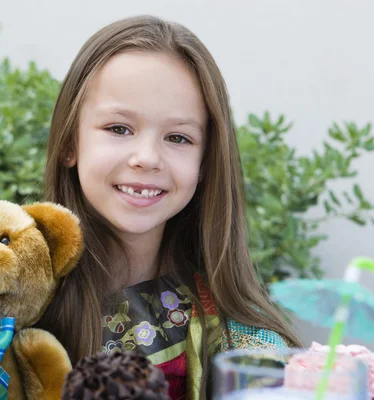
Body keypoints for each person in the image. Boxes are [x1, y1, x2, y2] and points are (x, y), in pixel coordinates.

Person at [33, 14, 302, 400]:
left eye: (178, 137)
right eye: (118, 129)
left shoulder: (248, 349)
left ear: (206, 161)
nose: (147, 158)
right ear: (69, 142)